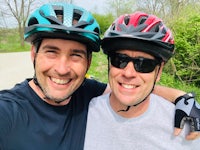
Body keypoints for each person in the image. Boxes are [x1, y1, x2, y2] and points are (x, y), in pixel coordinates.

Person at [0, 2, 198, 150]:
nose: (62, 69)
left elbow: (128, 86)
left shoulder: (86, 93)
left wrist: (183, 97)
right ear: (34, 55)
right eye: (51, 52)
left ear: (88, 62)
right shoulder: (8, 110)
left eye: (144, 65)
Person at [84, 12, 200, 150]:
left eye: (144, 64)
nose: (128, 73)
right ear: (109, 64)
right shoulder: (82, 109)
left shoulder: (187, 126)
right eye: (120, 60)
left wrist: (185, 99)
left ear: (159, 71)